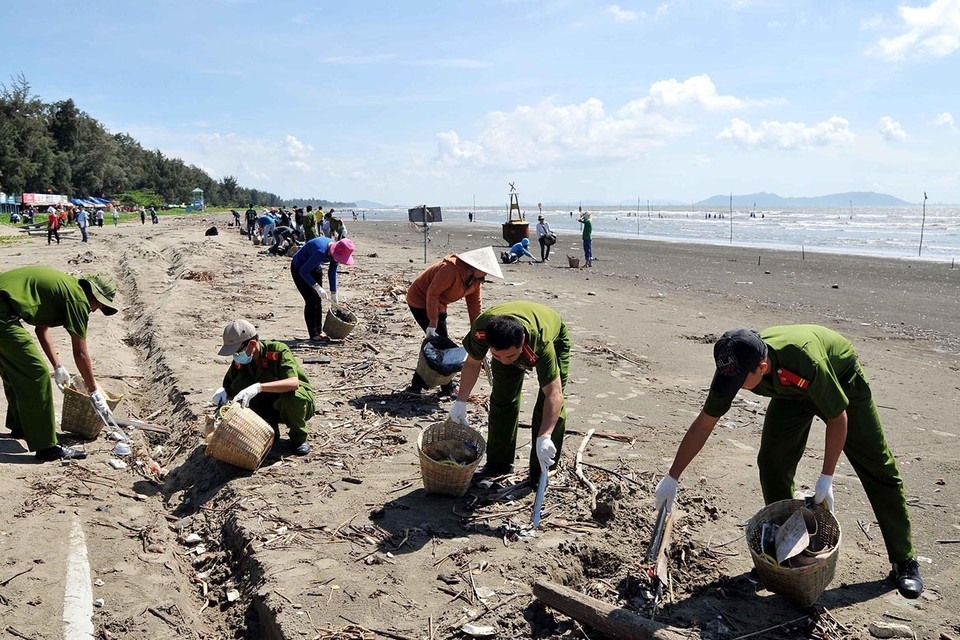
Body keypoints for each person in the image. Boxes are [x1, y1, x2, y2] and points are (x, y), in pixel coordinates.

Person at [654, 326, 923, 599]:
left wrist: (826, 477)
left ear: (762, 366)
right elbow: (704, 423)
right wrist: (672, 476)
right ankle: (783, 552)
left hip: (839, 379)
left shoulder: (804, 359)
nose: (732, 389)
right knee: (772, 462)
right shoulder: (733, 364)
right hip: (790, 392)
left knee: (877, 466)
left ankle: (904, 560)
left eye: (738, 383)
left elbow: (838, 417)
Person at [0, 266, 120, 461]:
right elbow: (80, 353)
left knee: (13, 369)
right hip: (2, 314)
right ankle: (47, 447)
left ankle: (21, 425)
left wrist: (57, 366)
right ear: (95, 296)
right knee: (36, 373)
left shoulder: (67, 288)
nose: (96, 310)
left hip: (4, 308)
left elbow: (41, 330)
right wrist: (93, 390)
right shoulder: (78, 300)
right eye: (99, 305)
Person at [449, 301, 570, 484]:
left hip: (554, 336)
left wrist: (545, 435)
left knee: (548, 403)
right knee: (502, 398)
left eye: (510, 357)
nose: (505, 362)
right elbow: (473, 363)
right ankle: (499, 463)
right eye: (496, 356)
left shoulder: (541, 342)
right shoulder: (482, 331)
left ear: (521, 342)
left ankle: (542, 469)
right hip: (511, 338)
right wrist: (460, 401)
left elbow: (554, 394)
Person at [405, 247, 504, 395]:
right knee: (440, 344)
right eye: (484, 271)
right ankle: (427, 385)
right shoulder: (450, 269)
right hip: (420, 300)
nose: (485, 275)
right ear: (475, 267)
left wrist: (477, 330)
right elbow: (432, 293)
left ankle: (436, 385)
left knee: (442, 343)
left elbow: (474, 304)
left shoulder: (475, 280)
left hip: (439, 305)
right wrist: (433, 321)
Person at [212, 319, 315, 456]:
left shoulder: (278, 351)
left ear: (252, 344)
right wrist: (223, 394)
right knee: (241, 388)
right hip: (268, 406)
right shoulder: (241, 362)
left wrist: (259, 387)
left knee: (292, 398)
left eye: (237, 351)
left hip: (296, 405)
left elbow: (293, 383)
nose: (236, 356)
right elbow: (232, 389)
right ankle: (269, 431)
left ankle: (299, 439)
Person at [289, 237, 356, 341]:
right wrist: (317, 287)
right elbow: (303, 271)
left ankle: (319, 331)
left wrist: (334, 293)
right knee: (311, 300)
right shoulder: (320, 251)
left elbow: (332, 271)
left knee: (318, 300)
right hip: (299, 268)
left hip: (315, 267)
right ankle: (313, 334)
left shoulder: (336, 252)